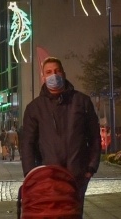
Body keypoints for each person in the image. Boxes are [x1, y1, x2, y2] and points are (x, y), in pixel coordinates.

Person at [20, 57, 101, 187]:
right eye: (49, 72)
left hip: (78, 175)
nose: (54, 75)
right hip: (48, 176)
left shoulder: (82, 101)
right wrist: (30, 174)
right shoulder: (34, 108)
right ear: (43, 77)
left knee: (75, 208)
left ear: (63, 73)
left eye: (57, 71)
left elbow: (94, 137)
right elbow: (27, 144)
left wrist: (90, 168)